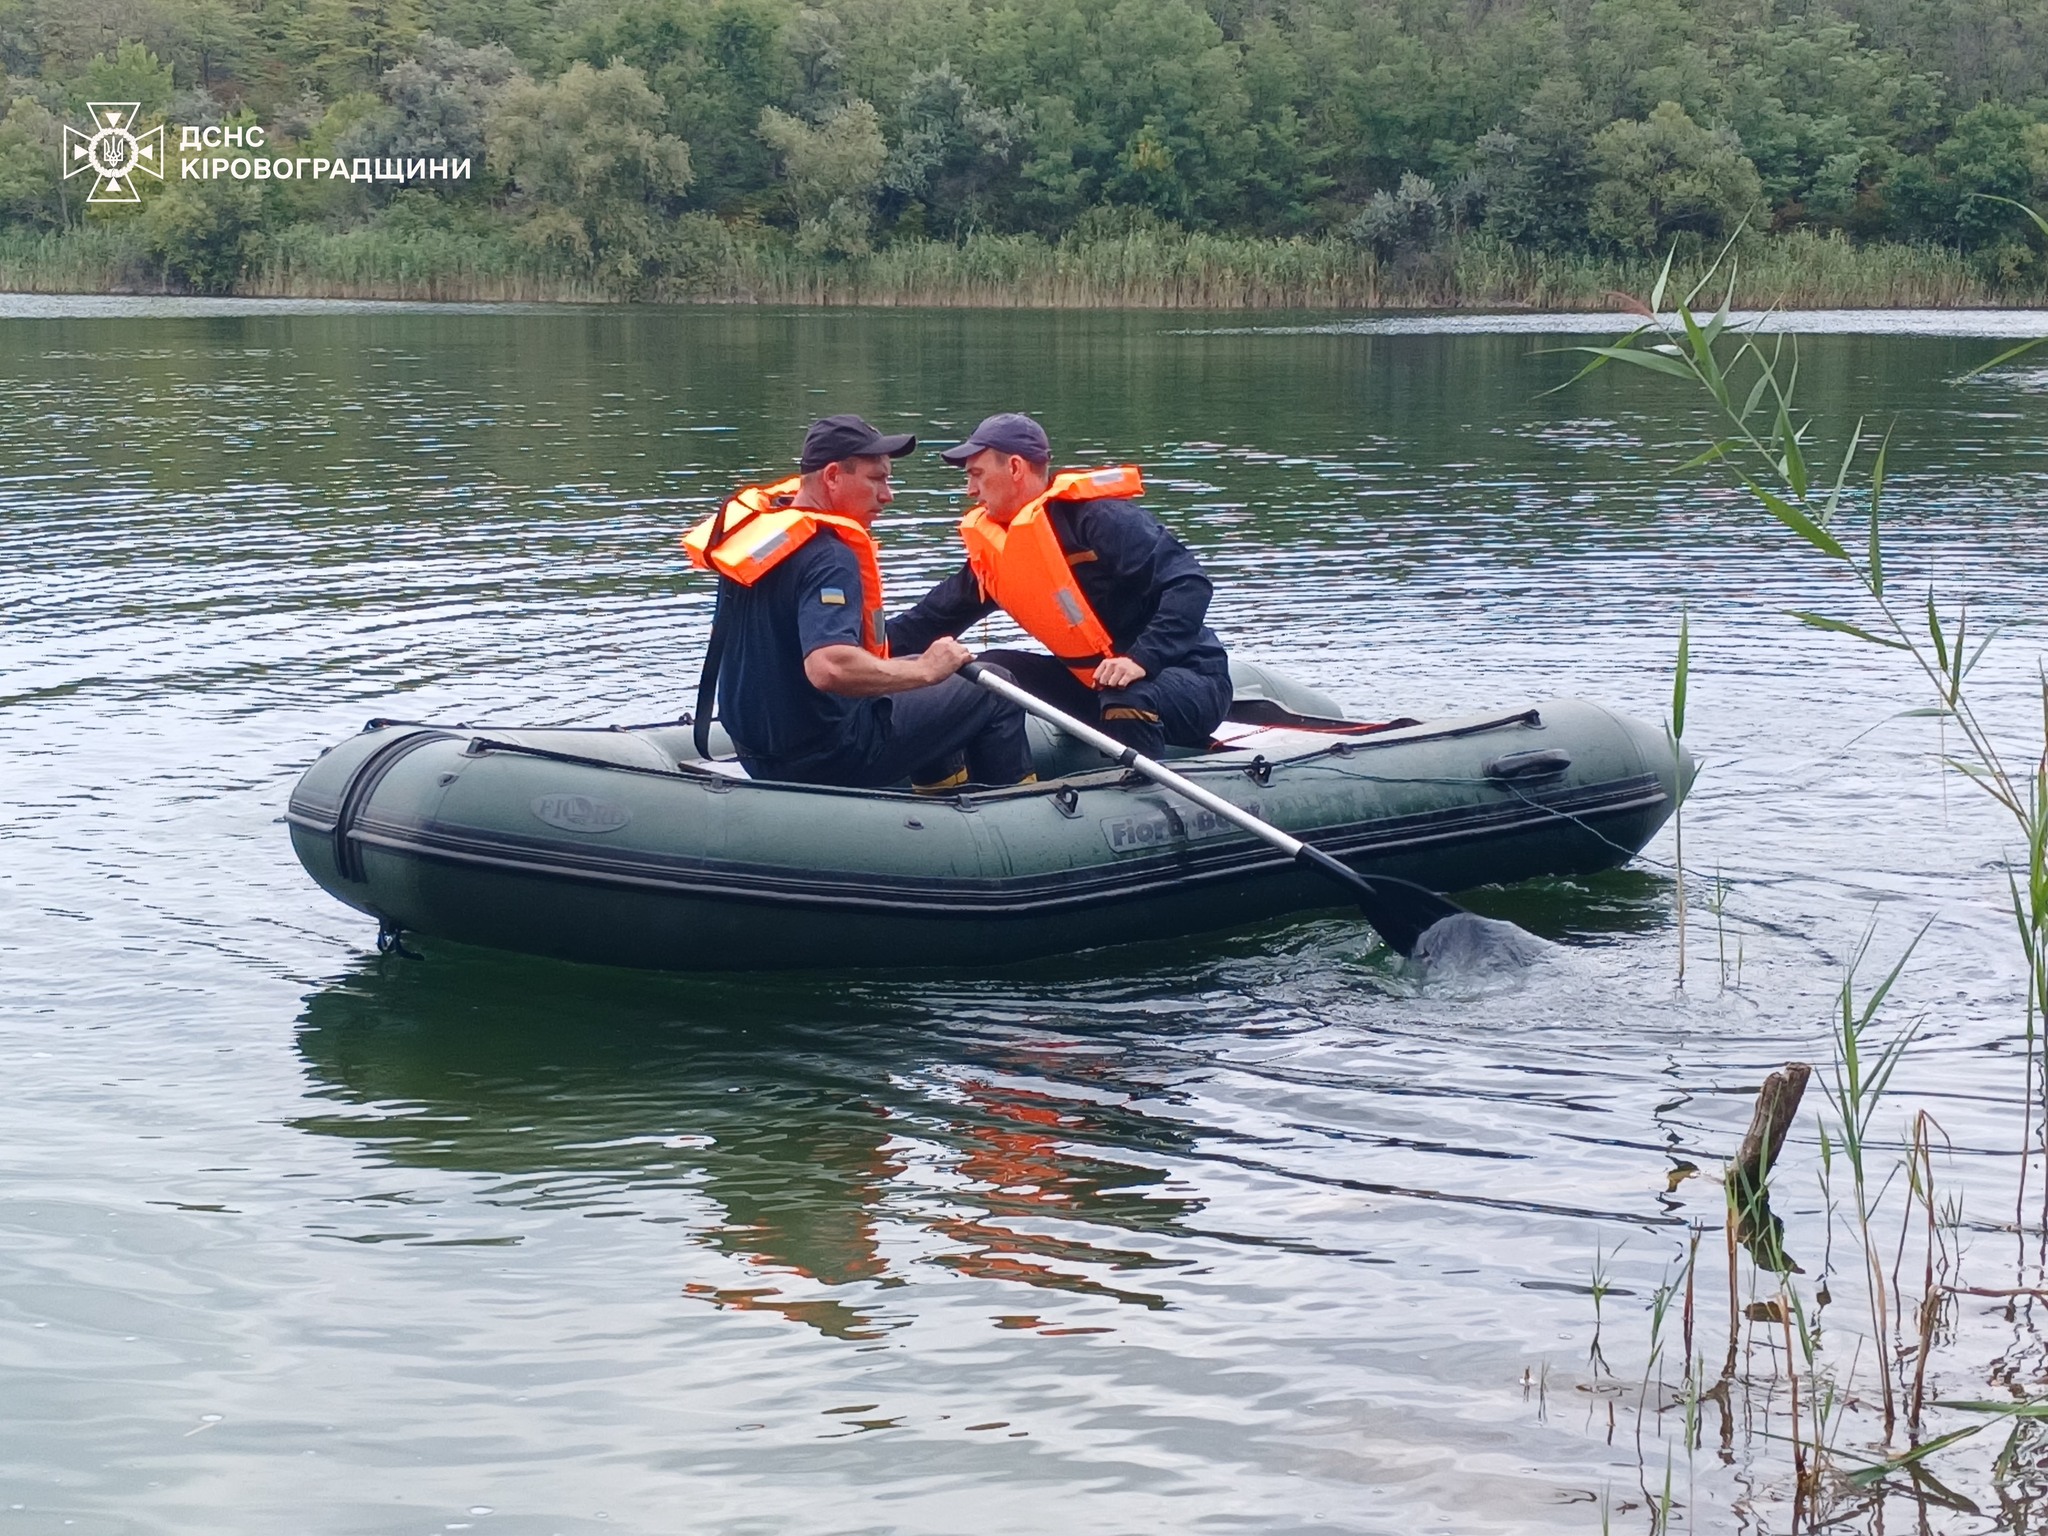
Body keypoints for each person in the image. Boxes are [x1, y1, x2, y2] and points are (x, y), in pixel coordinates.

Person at [683, 414, 1033, 790]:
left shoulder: (756, 541)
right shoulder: (829, 556)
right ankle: (1017, 814)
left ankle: (942, 796)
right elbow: (828, 667)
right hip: (829, 756)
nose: (887, 495)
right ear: (833, 476)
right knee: (996, 687)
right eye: (876, 479)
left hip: (757, 753)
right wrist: (925, 671)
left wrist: (922, 671)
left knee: (926, 682)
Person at [889, 412, 1233, 758]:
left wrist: (1140, 659)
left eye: (976, 474)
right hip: (1092, 684)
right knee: (984, 672)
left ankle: (1144, 785)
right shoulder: (1000, 554)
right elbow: (925, 623)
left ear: (1015, 468)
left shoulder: (1099, 519)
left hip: (1187, 678)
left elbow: (1190, 584)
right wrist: (864, 658)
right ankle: (1003, 782)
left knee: (1125, 693)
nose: (971, 491)